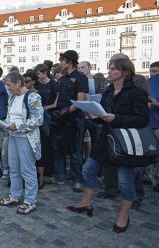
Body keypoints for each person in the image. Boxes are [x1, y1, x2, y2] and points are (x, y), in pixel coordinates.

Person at [67, 55, 149, 233]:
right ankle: (86, 203)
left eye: (113, 69)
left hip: (124, 144)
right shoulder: (109, 91)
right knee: (88, 170)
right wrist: (95, 116)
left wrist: (116, 118)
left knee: (126, 182)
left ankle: (123, 215)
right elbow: (105, 115)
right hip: (105, 140)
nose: (109, 71)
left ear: (125, 72)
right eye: (109, 68)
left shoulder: (136, 93)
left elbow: (142, 119)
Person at [0, 72, 43, 215]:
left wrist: (17, 126)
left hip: (26, 138)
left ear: (18, 83)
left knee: (27, 170)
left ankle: (30, 201)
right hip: (12, 137)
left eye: (9, 85)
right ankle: (15, 195)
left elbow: (37, 120)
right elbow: (10, 117)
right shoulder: (12, 97)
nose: (8, 88)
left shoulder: (33, 97)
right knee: (14, 168)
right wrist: (3, 124)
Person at [48, 50, 88, 192]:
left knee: (75, 150)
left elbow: (80, 101)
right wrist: (56, 111)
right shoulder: (63, 78)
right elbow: (59, 98)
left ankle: (78, 179)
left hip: (75, 120)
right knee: (58, 148)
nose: (60, 62)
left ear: (70, 62)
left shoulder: (81, 78)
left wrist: (64, 111)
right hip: (60, 120)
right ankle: (59, 176)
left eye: (62, 60)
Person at [34, 64, 58, 188]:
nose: (38, 76)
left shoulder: (53, 84)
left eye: (39, 73)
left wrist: (46, 108)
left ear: (45, 73)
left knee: (48, 145)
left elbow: (56, 102)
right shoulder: (38, 86)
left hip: (49, 117)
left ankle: (48, 172)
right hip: (39, 117)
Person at [149, 61, 159, 192]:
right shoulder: (149, 83)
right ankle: (150, 176)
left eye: (155, 71)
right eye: (151, 71)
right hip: (148, 124)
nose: (153, 74)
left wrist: (154, 103)